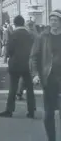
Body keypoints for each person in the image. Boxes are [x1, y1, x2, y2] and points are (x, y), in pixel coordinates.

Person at [0, 15, 35, 119]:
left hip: (15, 64)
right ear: (23, 23)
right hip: (28, 64)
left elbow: (9, 50)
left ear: (15, 23)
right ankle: (31, 111)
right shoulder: (30, 34)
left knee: (13, 87)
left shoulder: (13, 34)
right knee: (30, 88)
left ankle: (9, 110)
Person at [31, 10, 61, 141]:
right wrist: (35, 74)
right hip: (49, 79)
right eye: (51, 20)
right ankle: (52, 139)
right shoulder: (42, 37)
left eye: (56, 20)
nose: (53, 22)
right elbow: (34, 57)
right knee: (49, 113)